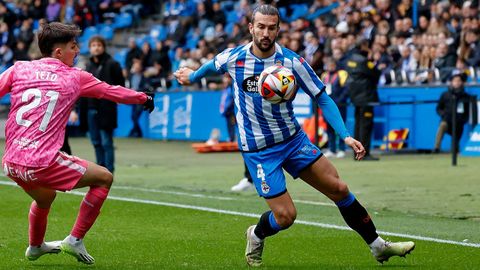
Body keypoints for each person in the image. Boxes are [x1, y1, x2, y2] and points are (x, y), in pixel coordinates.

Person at [174, 5, 414, 267]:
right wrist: (193, 75)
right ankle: (256, 234)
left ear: (278, 29)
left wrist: (344, 135)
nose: (266, 33)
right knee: (286, 216)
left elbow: (321, 96)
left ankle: (378, 246)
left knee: (339, 188)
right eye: (261, 27)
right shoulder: (234, 58)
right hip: (259, 151)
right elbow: (211, 66)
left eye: (271, 27)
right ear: (251, 28)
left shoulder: (292, 61)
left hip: (293, 140)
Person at [0, 22, 154, 265]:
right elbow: (110, 91)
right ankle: (74, 239)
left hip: (11, 163)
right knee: (104, 177)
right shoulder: (75, 76)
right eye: (73, 46)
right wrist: (142, 97)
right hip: (42, 161)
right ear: (59, 52)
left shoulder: (19, 69)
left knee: (45, 198)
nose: (78, 51)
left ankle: (35, 246)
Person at [85, 35, 124, 173]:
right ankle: (100, 171)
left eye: (99, 45)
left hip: (106, 109)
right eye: (93, 45)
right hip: (91, 109)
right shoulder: (88, 66)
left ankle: (109, 172)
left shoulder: (113, 64)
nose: (96, 48)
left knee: (107, 143)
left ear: (103, 47)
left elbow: (121, 85)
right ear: (90, 48)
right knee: (95, 142)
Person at [345, 38, 381, 161]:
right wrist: (372, 59)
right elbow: (376, 74)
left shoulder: (350, 59)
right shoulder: (365, 61)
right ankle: (364, 153)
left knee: (358, 124)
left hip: (355, 97)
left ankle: (357, 152)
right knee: (365, 125)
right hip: (366, 96)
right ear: (364, 46)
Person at [434, 70, 472, 153]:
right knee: (442, 125)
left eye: (459, 81)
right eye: (455, 81)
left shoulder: (465, 97)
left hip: (458, 124)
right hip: (447, 121)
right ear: (451, 82)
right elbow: (438, 108)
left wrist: (463, 121)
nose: (457, 83)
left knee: (455, 149)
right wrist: (443, 115)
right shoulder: (445, 95)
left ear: (462, 82)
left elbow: (468, 112)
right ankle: (436, 147)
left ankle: (455, 150)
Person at [321, 57, 349, 159]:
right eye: (328, 65)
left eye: (331, 65)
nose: (329, 67)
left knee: (341, 126)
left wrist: (340, 101)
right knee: (329, 128)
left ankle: (342, 149)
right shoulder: (324, 75)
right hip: (327, 106)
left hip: (340, 105)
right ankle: (332, 149)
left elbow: (346, 89)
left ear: (335, 65)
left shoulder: (342, 74)